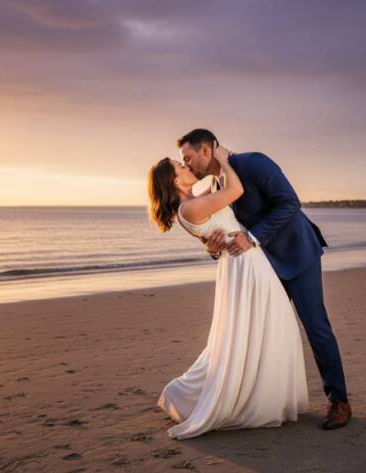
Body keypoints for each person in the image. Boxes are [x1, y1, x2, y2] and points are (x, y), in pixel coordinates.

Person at [178, 129, 351, 430]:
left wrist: (253, 237)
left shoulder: (253, 163)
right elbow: (222, 228)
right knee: (265, 332)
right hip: (261, 266)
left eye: (188, 158)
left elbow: (290, 203)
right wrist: (214, 244)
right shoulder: (220, 185)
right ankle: (267, 400)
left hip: (297, 254)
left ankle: (339, 401)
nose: (188, 164)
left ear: (206, 150)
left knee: (316, 327)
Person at [147, 146, 308, 440]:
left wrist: (211, 243)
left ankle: (203, 392)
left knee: (261, 327)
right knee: (264, 326)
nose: (186, 167)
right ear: (174, 182)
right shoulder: (189, 207)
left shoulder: (193, 202)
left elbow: (215, 228)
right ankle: (243, 397)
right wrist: (223, 160)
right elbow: (235, 190)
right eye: (179, 167)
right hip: (244, 262)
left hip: (242, 261)